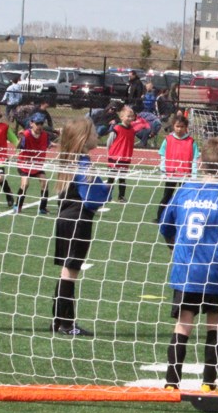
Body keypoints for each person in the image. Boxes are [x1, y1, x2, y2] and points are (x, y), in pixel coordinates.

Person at [159, 136, 218, 392]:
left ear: (199, 163)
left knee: (183, 324)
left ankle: (171, 383)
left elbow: (165, 228)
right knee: (215, 323)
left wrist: (176, 251)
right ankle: (209, 383)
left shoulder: (183, 192)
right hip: (214, 272)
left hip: (185, 271)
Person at [51, 117, 114, 337]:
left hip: (65, 218)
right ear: (84, 137)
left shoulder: (70, 160)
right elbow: (94, 198)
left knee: (66, 270)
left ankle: (58, 320)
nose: (98, 135)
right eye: (95, 132)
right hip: (78, 220)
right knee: (71, 271)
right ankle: (67, 324)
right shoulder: (83, 163)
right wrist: (109, 186)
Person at [156, 113, 199, 223]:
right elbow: (163, 156)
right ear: (173, 126)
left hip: (185, 175)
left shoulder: (191, 142)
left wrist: (194, 175)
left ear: (186, 127)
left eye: (182, 127)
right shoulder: (168, 140)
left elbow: (195, 160)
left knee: (185, 197)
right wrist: (163, 171)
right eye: (177, 126)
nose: (179, 129)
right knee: (167, 196)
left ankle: (184, 218)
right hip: (171, 174)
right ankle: (160, 217)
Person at [15, 112, 52, 214]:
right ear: (31, 123)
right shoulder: (26, 135)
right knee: (25, 184)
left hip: (37, 165)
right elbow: (19, 148)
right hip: (24, 164)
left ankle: (42, 208)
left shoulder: (45, 135)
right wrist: (20, 138)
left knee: (44, 182)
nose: (39, 126)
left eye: (41, 123)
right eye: (37, 123)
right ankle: (18, 206)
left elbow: (48, 144)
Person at [106, 104, 136, 202]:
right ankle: (107, 196)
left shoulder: (132, 130)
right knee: (111, 178)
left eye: (132, 116)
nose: (130, 118)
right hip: (114, 157)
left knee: (122, 179)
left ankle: (121, 196)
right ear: (121, 117)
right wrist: (110, 152)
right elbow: (109, 142)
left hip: (125, 158)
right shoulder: (117, 128)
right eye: (128, 116)